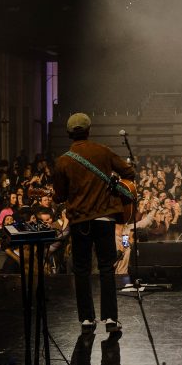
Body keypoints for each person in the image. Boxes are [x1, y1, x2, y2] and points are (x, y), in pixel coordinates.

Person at [54, 113, 135, 334]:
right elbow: (129, 172)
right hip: (104, 219)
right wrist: (114, 180)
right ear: (89, 130)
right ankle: (110, 318)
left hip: (80, 220)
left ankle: (87, 320)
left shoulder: (63, 160)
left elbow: (59, 196)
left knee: (81, 269)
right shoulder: (103, 151)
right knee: (106, 268)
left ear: (69, 134)